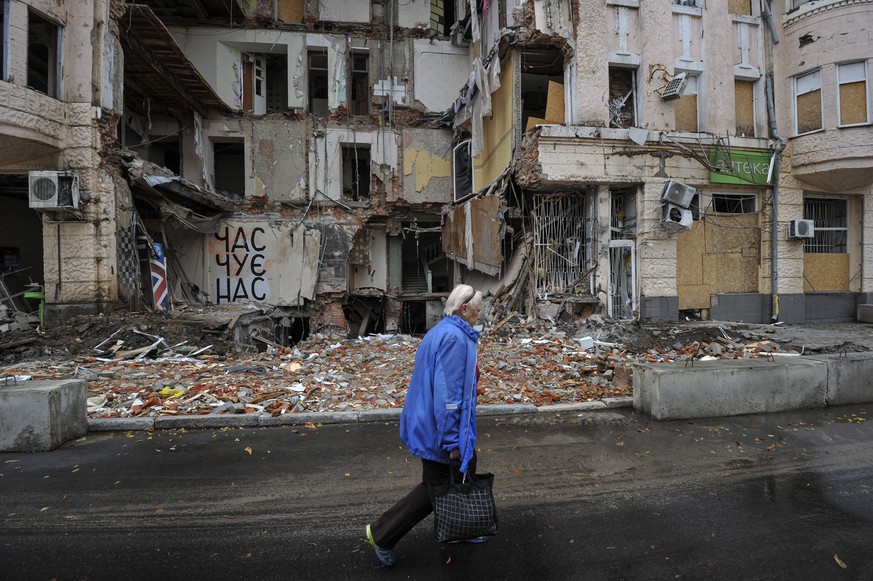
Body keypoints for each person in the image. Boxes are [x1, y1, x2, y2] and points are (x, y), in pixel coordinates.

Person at [365, 283, 485, 567]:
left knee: (467, 467)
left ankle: (461, 529)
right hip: (437, 429)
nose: (479, 318)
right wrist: (453, 441)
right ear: (464, 308)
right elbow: (449, 399)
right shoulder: (455, 339)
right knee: (434, 488)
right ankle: (382, 534)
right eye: (477, 313)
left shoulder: (443, 330)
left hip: (427, 421)